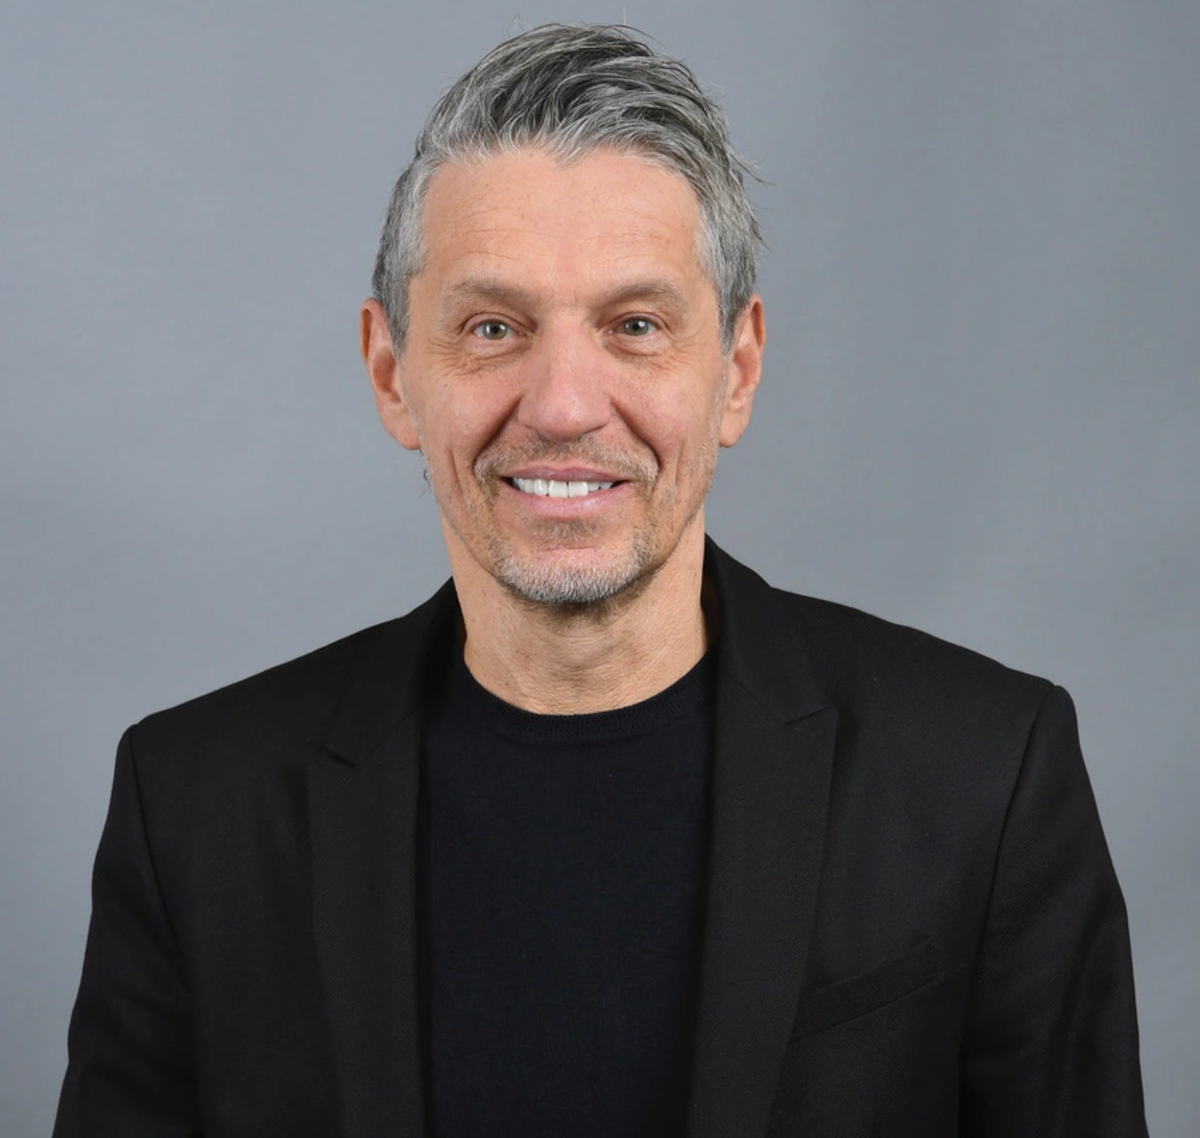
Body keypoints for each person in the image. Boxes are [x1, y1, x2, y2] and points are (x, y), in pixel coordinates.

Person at [53, 23, 1148, 1138]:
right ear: (391, 374)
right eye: (493, 327)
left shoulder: (985, 779)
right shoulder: (193, 810)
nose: (565, 405)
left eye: (635, 326)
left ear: (737, 370)